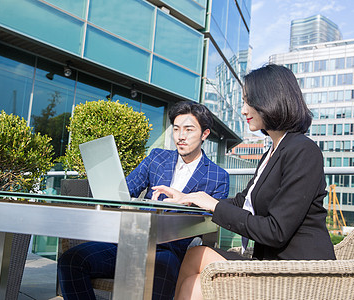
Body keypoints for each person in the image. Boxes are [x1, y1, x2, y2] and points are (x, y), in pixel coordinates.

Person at [152, 64, 336, 299]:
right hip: (270, 261)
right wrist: (192, 199)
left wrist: (214, 206)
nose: (243, 109)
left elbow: (276, 231)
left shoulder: (303, 151)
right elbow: (243, 201)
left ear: (270, 99)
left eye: (248, 101)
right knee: (194, 255)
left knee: (198, 285)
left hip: (297, 272)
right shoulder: (274, 151)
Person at [57, 101, 229, 300]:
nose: (181, 136)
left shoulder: (218, 176)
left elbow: (210, 223)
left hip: (170, 251)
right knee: (71, 260)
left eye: (189, 130)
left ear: (204, 134)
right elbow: (126, 189)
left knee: (161, 268)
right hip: (129, 241)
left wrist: (184, 202)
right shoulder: (157, 158)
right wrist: (120, 199)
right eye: (176, 129)